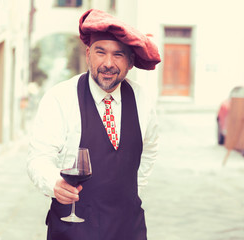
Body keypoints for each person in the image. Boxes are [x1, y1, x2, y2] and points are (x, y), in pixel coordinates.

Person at [27, 9, 161, 240]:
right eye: (101, 52)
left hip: (128, 227)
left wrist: (132, 191)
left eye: (118, 55)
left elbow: (148, 150)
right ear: (88, 54)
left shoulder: (143, 100)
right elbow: (39, 157)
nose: (108, 63)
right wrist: (54, 183)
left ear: (130, 62)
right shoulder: (60, 97)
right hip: (74, 226)